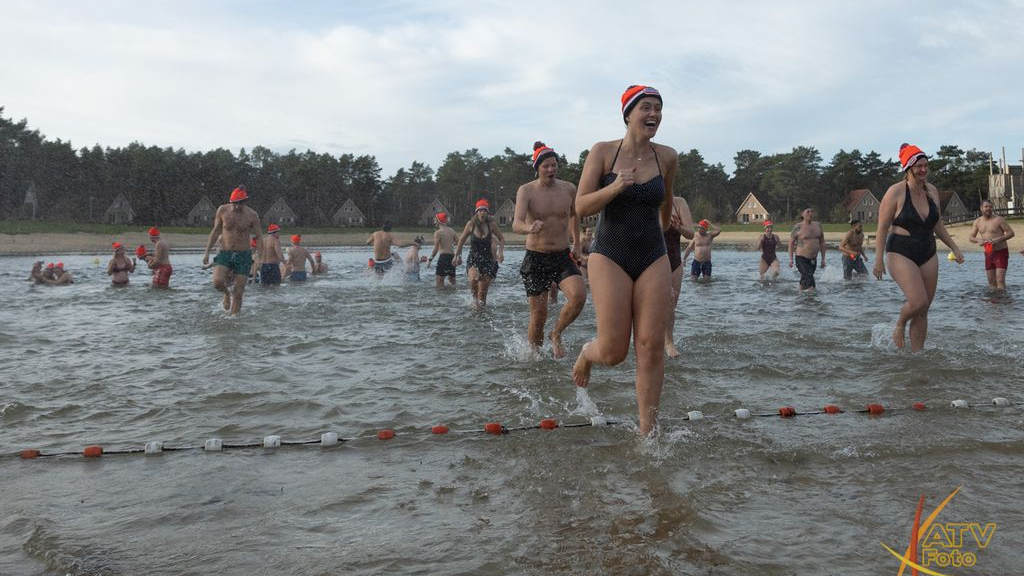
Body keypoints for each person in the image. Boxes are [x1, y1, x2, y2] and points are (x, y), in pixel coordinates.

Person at [571, 85, 677, 436]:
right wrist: (615, 187)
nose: (654, 113)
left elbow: (665, 204)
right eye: (646, 107)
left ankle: (648, 435)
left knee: (650, 347)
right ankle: (587, 353)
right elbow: (581, 206)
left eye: (658, 108)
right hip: (609, 255)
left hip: (653, 255)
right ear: (628, 114)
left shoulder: (667, 157)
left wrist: (666, 230)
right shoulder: (603, 152)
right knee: (614, 351)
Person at [873, 143, 964, 351]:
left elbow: (937, 224)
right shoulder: (895, 192)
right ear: (908, 168)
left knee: (923, 310)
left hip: (928, 250)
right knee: (918, 302)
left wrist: (954, 247)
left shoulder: (932, 191)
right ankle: (900, 323)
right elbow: (882, 228)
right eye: (918, 166)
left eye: (925, 165)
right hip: (900, 251)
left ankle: (917, 355)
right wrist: (878, 260)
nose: (923, 170)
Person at [512, 141, 586, 358]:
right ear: (537, 168)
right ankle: (534, 358)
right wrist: (529, 228)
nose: (551, 169)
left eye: (554, 165)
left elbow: (574, 215)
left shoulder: (569, 188)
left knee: (579, 297)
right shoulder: (526, 191)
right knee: (539, 316)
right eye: (546, 166)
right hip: (536, 257)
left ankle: (556, 333)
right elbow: (516, 223)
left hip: (562, 255)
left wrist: (577, 244)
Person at [202, 186, 262, 314]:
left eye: (240, 204)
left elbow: (259, 237)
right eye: (235, 203)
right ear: (231, 201)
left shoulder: (252, 215)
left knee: (238, 291)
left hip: (243, 254)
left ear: (245, 202)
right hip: (225, 252)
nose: (237, 207)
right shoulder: (222, 210)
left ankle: (234, 319)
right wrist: (207, 252)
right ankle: (226, 294)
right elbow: (215, 231)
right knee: (217, 282)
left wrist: (260, 257)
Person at [455, 200, 505, 306]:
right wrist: (457, 256)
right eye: (480, 210)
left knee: (482, 293)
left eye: (484, 210)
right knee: (474, 278)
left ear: (487, 213)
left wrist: (500, 253)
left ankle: (481, 309)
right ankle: (474, 302)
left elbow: (501, 238)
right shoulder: (471, 225)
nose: (482, 213)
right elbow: (461, 240)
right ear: (477, 212)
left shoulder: (491, 225)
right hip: (473, 258)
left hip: (488, 260)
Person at [663, 195, 694, 357]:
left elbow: (691, 233)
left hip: (674, 260)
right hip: (652, 259)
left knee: (671, 304)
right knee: (666, 298)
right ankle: (666, 342)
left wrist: (678, 227)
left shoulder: (679, 202)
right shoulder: (647, 200)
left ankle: (667, 340)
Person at [969, 200, 1015, 290]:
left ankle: (1002, 297)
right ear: (981, 208)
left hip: (1001, 252)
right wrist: (978, 240)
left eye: (990, 207)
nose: (988, 208)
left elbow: (1011, 233)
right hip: (988, 253)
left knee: (1000, 281)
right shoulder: (977, 222)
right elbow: (971, 237)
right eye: (986, 207)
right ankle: (993, 298)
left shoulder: (999, 219)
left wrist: (997, 240)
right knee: (991, 282)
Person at [788, 208, 826, 292]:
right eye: (808, 212)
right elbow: (791, 243)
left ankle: (800, 295)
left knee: (805, 280)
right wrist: (791, 259)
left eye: (812, 211)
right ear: (802, 214)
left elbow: (822, 242)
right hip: (801, 258)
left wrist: (823, 259)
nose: (810, 213)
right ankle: (813, 298)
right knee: (811, 281)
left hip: (813, 259)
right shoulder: (798, 227)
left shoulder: (818, 225)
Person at [427, 213, 457, 288]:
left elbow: (436, 248)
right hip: (452, 257)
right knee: (452, 281)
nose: (434, 221)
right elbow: (459, 243)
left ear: (438, 221)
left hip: (443, 257)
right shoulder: (452, 230)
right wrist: (458, 255)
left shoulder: (438, 233)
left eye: (435, 219)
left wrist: (430, 259)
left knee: (439, 281)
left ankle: (441, 295)